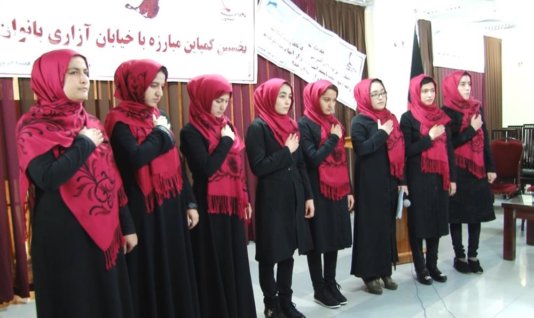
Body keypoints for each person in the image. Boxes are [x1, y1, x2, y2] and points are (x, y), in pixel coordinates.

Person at [16, 49, 137, 318]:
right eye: (73, 72)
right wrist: (83, 143)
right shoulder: (33, 127)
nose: (84, 79)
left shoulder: (91, 122)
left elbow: (112, 177)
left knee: (107, 300)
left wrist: (127, 225)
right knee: (76, 302)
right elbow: (47, 177)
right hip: (64, 236)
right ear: (50, 78)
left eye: (86, 72)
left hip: (105, 229)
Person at [104, 59, 200, 318]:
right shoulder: (117, 121)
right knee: (150, 271)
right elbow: (134, 158)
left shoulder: (160, 116)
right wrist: (160, 135)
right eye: (152, 85)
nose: (159, 92)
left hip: (170, 202)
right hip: (142, 208)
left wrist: (189, 202)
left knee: (174, 266)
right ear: (134, 86)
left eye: (161, 86)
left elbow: (177, 162)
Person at [179, 74, 256, 318]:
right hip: (208, 208)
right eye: (217, 100)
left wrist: (244, 197)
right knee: (215, 264)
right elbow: (205, 169)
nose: (223, 106)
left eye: (225, 101)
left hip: (231, 206)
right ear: (203, 99)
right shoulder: (190, 132)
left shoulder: (227, 126)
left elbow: (238, 168)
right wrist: (224, 142)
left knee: (235, 263)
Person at [246, 78, 314, 318]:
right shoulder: (258, 127)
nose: (287, 101)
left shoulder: (292, 125)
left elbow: (302, 164)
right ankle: (271, 304)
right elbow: (259, 167)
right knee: (269, 254)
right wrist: (286, 151)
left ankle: (286, 301)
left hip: (293, 196)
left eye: (289, 96)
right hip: (271, 200)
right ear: (269, 97)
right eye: (281, 96)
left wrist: (308, 196)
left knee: (288, 251)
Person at [297, 80, 353, 308]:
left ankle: (330, 283)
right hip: (316, 190)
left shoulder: (335, 123)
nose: (331, 105)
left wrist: (348, 189)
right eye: (326, 99)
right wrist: (332, 138)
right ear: (314, 98)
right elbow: (313, 158)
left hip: (338, 190)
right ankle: (319, 289)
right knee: (318, 241)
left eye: (333, 100)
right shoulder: (305, 124)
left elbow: (341, 160)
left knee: (334, 239)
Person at [351, 78, 407, 294]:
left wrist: (401, 180)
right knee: (370, 227)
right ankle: (370, 274)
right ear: (365, 96)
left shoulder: (391, 118)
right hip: (369, 183)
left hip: (389, 181)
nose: (380, 97)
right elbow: (362, 149)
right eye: (374, 93)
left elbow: (401, 152)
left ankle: (385, 270)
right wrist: (382, 133)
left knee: (387, 226)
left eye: (382, 92)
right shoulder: (360, 122)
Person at [400, 74, 456, 285]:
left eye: (432, 90)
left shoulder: (442, 117)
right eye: (424, 91)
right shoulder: (408, 118)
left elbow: (449, 151)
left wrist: (452, 178)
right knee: (419, 224)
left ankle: (432, 265)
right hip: (418, 178)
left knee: (437, 222)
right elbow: (406, 151)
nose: (430, 94)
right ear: (416, 92)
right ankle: (420, 267)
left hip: (439, 177)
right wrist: (428, 138)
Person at [441, 71, 496, 274]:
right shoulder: (446, 112)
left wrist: (491, 167)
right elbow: (449, 144)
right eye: (462, 84)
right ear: (452, 87)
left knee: (476, 215)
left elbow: (486, 137)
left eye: (468, 84)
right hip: (458, 170)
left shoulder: (476, 107)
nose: (466, 88)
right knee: (457, 216)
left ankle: (473, 255)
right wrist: (471, 130)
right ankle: (460, 256)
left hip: (478, 168)